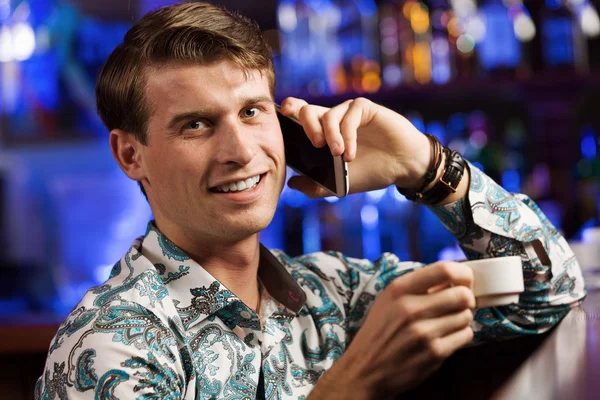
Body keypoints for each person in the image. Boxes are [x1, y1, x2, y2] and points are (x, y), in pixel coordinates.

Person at [35, 2, 586, 399]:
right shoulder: (108, 345)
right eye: (197, 124)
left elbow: (547, 291)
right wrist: (354, 385)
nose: (240, 150)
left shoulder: (333, 293)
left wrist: (424, 163)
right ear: (131, 155)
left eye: (252, 111)